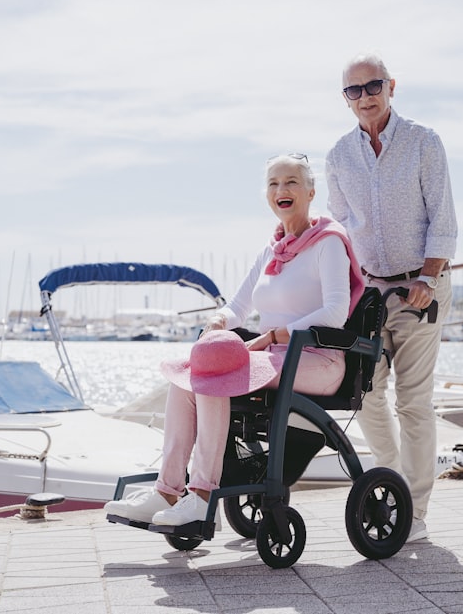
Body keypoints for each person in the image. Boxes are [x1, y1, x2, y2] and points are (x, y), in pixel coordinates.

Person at [105, 153, 364, 527]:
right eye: (274, 183)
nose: (282, 190)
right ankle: (168, 489)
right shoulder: (270, 252)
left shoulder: (329, 243)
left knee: (218, 376)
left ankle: (202, 495)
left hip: (319, 360)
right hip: (275, 357)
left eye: (291, 182)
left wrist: (276, 334)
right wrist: (217, 321)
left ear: (310, 191)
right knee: (191, 372)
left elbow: (337, 311)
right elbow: (238, 306)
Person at [325, 53, 457, 542]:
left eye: (372, 86)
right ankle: (392, 481)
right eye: (353, 91)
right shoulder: (339, 155)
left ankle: (415, 512)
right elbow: (343, 229)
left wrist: (427, 276)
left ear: (391, 86)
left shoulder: (424, 142)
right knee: (367, 392)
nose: (365, 97)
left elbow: (442, 218)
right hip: (371, 290)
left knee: (414, 402)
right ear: (345, 99)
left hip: (423, 287)